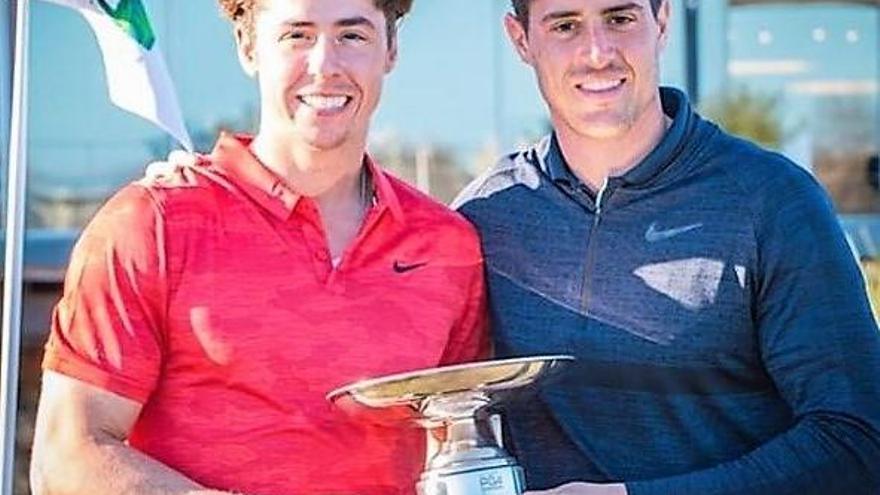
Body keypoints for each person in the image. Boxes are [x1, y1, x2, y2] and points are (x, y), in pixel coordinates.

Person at [30, 0, 488, 494]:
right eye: (297, 35)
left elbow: (456, 448)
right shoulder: (152, 223)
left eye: (352, 36)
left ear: (391, 50)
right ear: (248, 47)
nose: (324, 65)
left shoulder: (447, 245)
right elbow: (68, 457)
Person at [452, 0, 880, 494]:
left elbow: (858, 439)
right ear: (520, 39)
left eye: (620, 19)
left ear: (663, 21)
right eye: (565, 25)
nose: (597, 52)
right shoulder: (486, 214)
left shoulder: (773, 201)